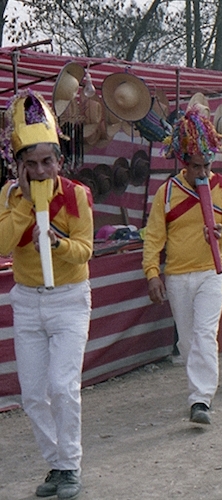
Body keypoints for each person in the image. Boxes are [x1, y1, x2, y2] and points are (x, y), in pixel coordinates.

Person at [0, 92, 94, 499]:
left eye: (46, 162)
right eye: (31, 163)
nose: (40, 171)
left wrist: (57, 243)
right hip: (26, 300)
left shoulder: (76, 196)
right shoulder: (7, 198)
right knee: (33, 393)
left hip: (70, 298)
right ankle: (56, 463)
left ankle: (71, 465)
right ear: (19, 165)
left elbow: (85, 250)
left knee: (62, 386)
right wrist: (23, 204)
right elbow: (4, 243)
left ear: (59, 160)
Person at [143, 108, 222, 425]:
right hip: (179, 275)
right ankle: (198, 388)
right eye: (196, 166)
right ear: (184, 162)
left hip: (213, 271)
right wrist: (152, 273)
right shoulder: (166, 192)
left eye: (207, 165)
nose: (203, 172)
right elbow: (154, 237)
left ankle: (201, 400)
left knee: (206, 334)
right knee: (187, 341)